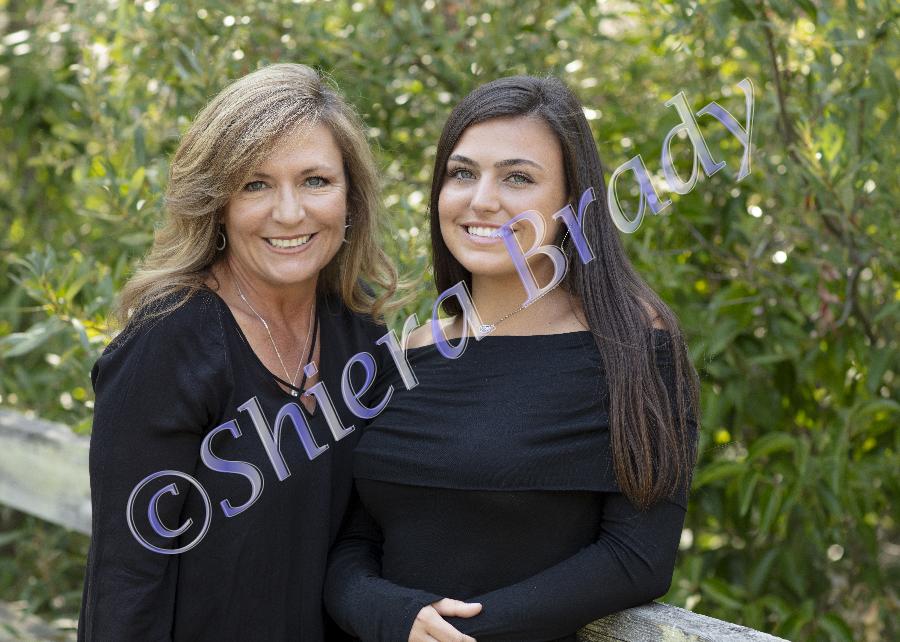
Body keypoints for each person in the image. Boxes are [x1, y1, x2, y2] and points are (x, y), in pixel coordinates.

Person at [324, 75, 701, 642]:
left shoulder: (634, 349)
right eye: (462, 173)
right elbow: (353, 544)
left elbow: (637, 558)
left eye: (517, 177)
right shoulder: (403, 352)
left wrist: (463, 635)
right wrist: (393, 616)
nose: (482, 200)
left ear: (573, 201)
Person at [77, 63, 398, 641]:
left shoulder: (363, 338)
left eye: (315, 181)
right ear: (216, 203)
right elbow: (126, 580)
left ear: (350, 196)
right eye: (255, 184)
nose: (290, 212)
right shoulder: (168, 342)